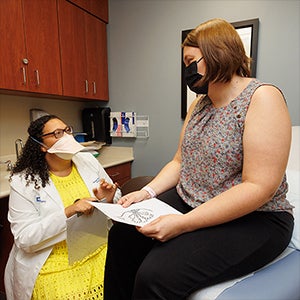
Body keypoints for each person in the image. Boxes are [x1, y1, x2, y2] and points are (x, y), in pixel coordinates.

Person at [103, 18, 294, 300]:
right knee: (122, 235)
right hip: (194, 199)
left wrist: (182, 223)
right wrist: (147, 192)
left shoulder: (262, 98)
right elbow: (179, 161)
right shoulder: (199, 104)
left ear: (216, 53)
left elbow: (259, 187)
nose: (187, 70)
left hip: (257, 218)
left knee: (155, 276)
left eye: (191, 61)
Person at [4, 114, 121, 300]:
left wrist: (108, 199)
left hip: (96, 246)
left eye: (67, 130)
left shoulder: (88, 161)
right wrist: (68, 212)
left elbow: (116, 198)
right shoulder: (23, 182)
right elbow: (24, 238)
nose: (66, 137)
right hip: (52, 259)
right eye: (57, 133)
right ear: (41, 145)